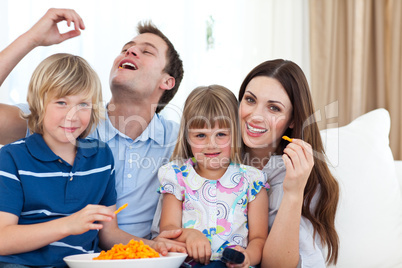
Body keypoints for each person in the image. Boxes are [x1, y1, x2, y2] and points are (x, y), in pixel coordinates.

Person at [0, 8, 184, 239]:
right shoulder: (66, 119)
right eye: (125, 49)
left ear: (167, 81)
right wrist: (32, 38)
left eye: (146, 51)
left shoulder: (179, 141)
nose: (131, 51)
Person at [238, 59, 339, 267]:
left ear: (292, 120)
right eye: (250, 100)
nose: (256, 116)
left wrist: (293, 192)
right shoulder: (212, 155)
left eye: (274, 108)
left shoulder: (302, 178)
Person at [158, 85, 269, 268]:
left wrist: (247, 257)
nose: (211, 144)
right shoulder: (176, 176)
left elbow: (259, 238)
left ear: (236, 134)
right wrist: (190, 235)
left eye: (221, 134)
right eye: (201, 135)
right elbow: (168, 229)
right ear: (187, 137)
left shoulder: (252, 180)